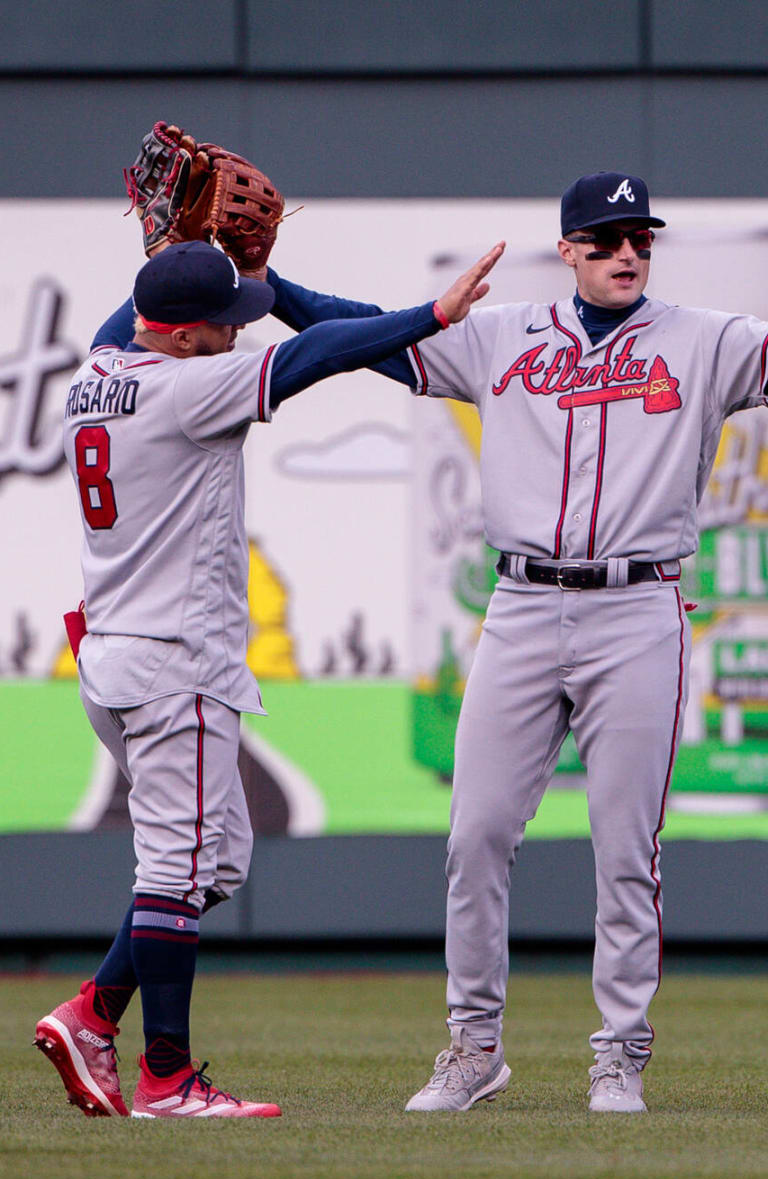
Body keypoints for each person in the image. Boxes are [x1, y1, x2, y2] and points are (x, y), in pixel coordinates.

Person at [264, 173, 768, 1112]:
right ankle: (472, 1047)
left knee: (625, 847)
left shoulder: (704, 339)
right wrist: (268, 282)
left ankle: (619, 1054)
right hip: (521, 606)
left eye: (638, 238)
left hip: (637, 611)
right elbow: (360, 329)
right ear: (567, 248)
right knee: (476, 833)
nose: (625, 253)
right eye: (603, 239)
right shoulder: (500, 334)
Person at [35, 237, 502, 1119]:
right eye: (221, 325)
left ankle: (94, 1011)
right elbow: (313, 353)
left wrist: (163, 239)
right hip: (178, 664)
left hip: (116, 657)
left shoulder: (96, 372)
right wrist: (432, 318)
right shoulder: (187, 386)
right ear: (179, 336)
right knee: (176, 870)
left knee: (217, 862)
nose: (235, 336)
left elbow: (135, 315)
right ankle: (166, 1078)